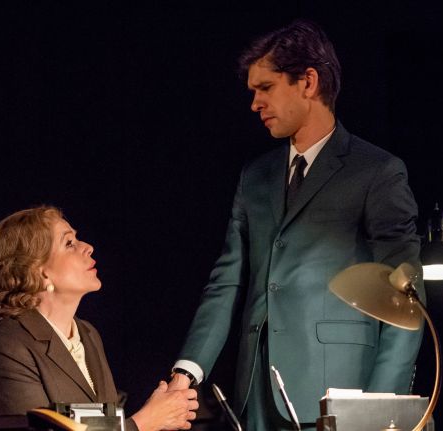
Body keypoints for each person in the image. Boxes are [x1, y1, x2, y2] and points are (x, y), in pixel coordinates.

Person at [167, 20, 425, 429]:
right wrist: (187, 372)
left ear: (308, 82)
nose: (254, 103)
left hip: (339, 396)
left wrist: (380, 406)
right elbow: (227, 281)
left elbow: (407, 297)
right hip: (256, 396)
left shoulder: (377, 171)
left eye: (265, 88)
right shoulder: (255, 176)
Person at [0, 206, 199, 431]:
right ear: (38, 271)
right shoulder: (6, 347)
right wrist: (145, 421)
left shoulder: (87, 334)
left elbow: (102, 426)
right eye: (69, 243)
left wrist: (163, 415)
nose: (88, 248)